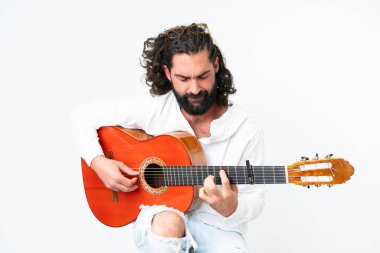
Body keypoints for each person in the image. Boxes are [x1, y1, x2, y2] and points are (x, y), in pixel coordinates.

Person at [71, 23, 265, 253]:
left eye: (203, 76)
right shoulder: (156, 110)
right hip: (162, 217)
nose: (194, 89)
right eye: (183, 78)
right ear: (167, 73)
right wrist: (98, 162)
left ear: (215, 66)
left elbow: (256, 199)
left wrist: (232, 207)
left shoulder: (244, 128)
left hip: (219, 227)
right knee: (168, 223)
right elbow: (82, 116)